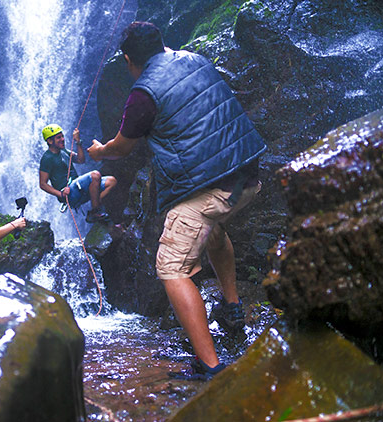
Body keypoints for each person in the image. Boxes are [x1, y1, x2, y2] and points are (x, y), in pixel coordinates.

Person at [88, 22, 267, 380]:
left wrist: (98, 151)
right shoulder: (195, 59)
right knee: (210, 231)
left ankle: (211, 367)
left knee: (171, 266)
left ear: (128, 60)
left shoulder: (143, 93)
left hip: (210, 186)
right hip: (246, 172)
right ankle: (232, 309)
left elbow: (122, 148)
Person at [38, 123, 116, 223]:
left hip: (79, 189)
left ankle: (94, 206)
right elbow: (42, 184)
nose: (62, 139)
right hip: (70, 193)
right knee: (95, 175)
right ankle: (95, 212)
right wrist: (60, 194)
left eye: (62, 136)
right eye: (58, 138)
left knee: (112, 181)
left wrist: (78, 142)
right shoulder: (47, 158)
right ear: (49, 141)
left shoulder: (64, 151)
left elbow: (80, 160)